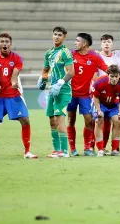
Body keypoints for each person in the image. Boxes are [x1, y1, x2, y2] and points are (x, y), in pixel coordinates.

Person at [0, 33, 38, 160]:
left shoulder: (17, 58)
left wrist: (14, 83)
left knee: (25, 120)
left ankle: (27, 152)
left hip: (13, 95)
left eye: (7, 41)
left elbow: (14, 75)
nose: (4, 43)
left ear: (10, 44)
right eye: (2, 41)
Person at [67, 33, 108, 156]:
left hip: (86, 95)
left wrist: (118, 75)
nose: (75, 43)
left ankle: (87, 148)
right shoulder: (70, 54)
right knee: (70, 120)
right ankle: (72, 149)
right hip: (71, 94)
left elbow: (106, 68)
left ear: (84, 44)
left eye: (77, 41)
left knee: (89, 121)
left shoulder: (94, 57)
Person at [37, 26, 75, 158]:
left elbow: (71, 72)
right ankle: (56, 150)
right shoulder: (48, 53)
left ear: (64, 37)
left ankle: (64, 152)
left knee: (59, 119)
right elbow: (46, 70)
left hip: (63, 90)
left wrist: (60, 83)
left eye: (59, 35)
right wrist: (42, 79)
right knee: (52, 120)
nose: (57, 37)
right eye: (55, 34)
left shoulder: (66, 52)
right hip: (52, 90)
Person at [92, 65, 120, 156]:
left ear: (119, 75)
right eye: (112, 76)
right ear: (108, 75)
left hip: (113, 105)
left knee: (118, 121)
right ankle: (100, 149)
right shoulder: (99, 82)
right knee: (99, 120)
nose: (114, 79)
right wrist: (99, 110)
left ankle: (114, 149)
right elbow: (95, 98)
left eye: (116, 76)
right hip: (100, 104)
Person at [97, 34, 120, 154]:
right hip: (99, 92)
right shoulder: (96, 56)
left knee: (112, 121)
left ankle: (110, 148)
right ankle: (96, 147)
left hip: (113, 94)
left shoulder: (116, 57)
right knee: (97, 121)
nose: (106, 44)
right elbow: (94, 74)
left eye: (109, 42)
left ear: (112, 44)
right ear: (101, 44)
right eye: (104, 42)